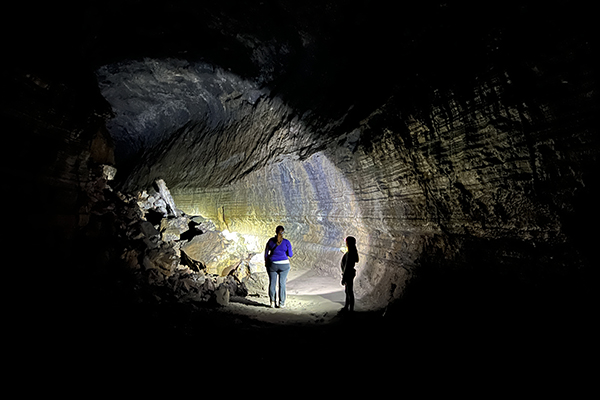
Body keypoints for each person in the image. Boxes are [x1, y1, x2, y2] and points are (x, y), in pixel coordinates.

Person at [264, 225, 293, 308]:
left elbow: (266, 253)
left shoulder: (270, 241)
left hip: (272, 264)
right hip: (284, 265)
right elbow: (290, 254)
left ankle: (272, 302)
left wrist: (266, 262)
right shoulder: (287, 242)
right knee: (282, 283)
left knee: (272, 283)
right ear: (283, 233)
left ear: (275, 232)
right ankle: (281, 303)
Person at [341, 236, 359, 312]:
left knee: (349, 291)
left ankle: (350, 308)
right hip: (350, 273)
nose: (346, 243)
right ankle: (348, 307)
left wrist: (344, 278)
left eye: (347, 242)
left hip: (348, 274)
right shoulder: (353, 251)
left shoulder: (350, 253)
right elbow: (356, 260)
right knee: (348, 291)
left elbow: (347, 266)